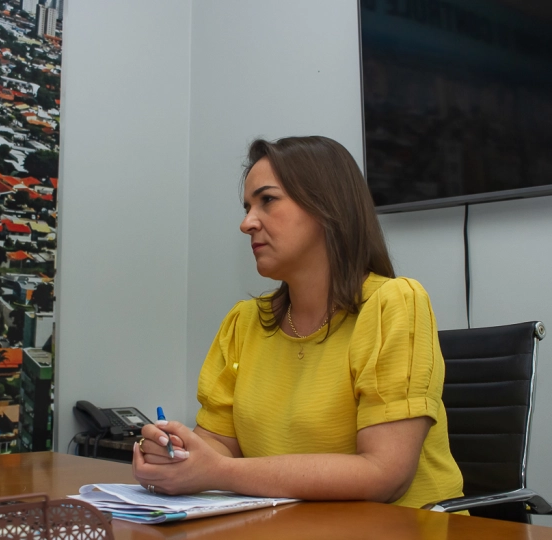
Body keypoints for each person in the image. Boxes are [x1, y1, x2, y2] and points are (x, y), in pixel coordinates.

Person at [132, 136, 464, 508]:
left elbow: (384, 475)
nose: (246, 223)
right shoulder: (244, 323)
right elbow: (217, 445)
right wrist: (177, 456)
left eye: (267, 200)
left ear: (326, 207)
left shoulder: (393, 305)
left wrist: (216, 471)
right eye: (246, 207)